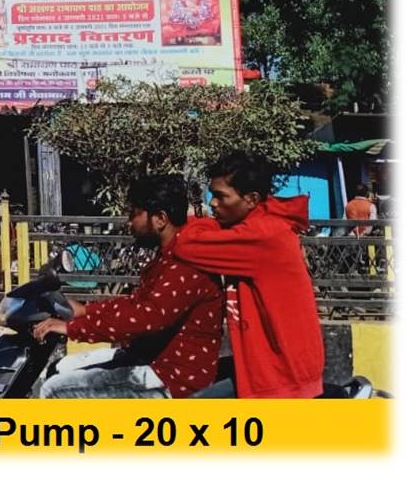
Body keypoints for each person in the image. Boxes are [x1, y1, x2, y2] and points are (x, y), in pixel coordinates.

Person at [32, 175, 224, 399]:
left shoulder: (186, 261)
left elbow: (145, 318)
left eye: (134, 214)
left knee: (53, 390)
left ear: (160, 219)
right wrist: (85, 310)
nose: (128, 222)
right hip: (150, 358)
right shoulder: (170, 253)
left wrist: (71, 328)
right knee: (59, 367)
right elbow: (135, 304)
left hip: (172, 377)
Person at [173, 151, 324, 398]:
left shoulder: (262, 235)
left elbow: (186, 245)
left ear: (252, 199)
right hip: (271, 366)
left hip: (279, 376)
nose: (213, 204)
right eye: (212, 195)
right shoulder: (262, 225)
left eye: (221, 197)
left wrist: (202, 222)